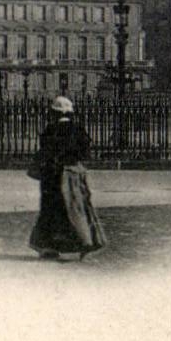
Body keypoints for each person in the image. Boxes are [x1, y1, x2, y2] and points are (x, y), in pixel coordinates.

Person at [28, 95, 106, 261]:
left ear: (54, 113)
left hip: (52, 175)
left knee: (51, 210)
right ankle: (86, 242)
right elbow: (85, 152)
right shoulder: (78, 129)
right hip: (73, 173)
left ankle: (49, 246)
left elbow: (44, 153)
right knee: (77, 207)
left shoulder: (50, 130)